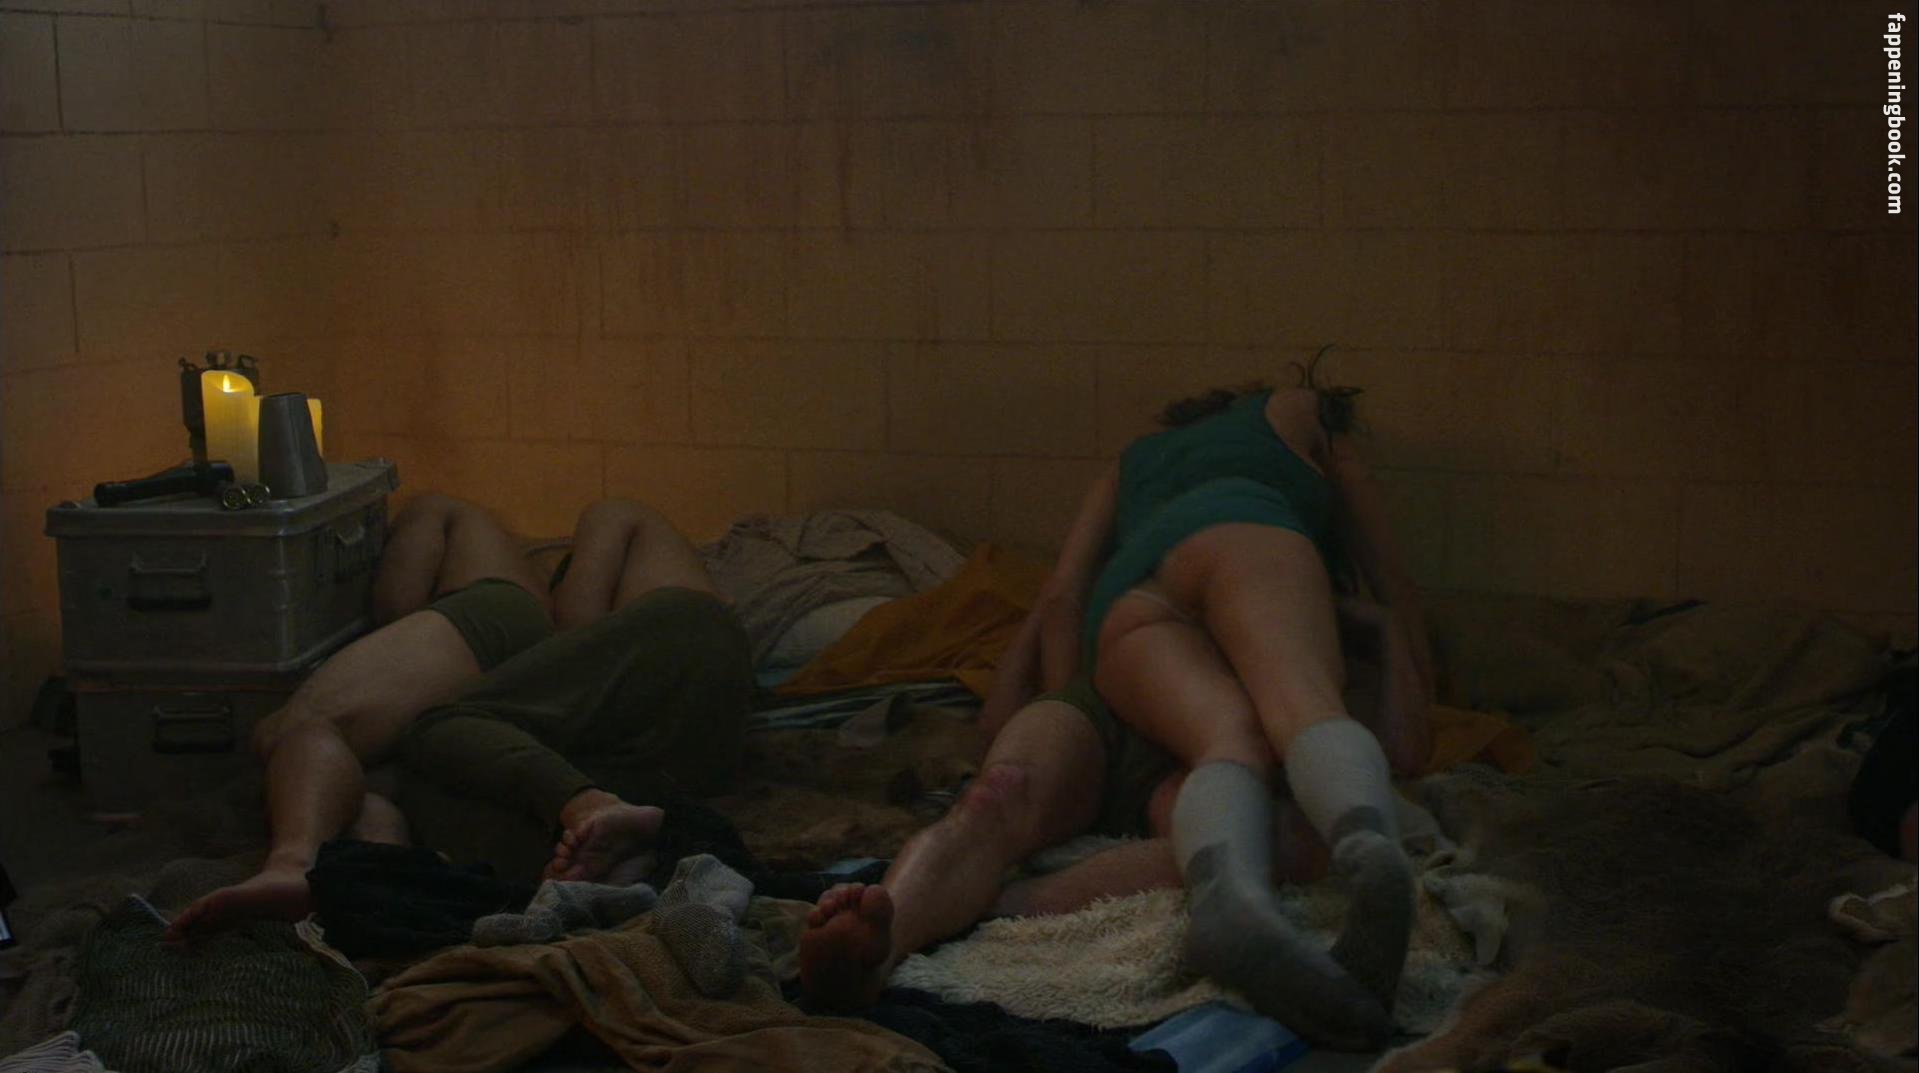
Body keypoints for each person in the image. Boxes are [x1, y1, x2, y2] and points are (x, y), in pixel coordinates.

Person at [803, 364, 1433, 1048]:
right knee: (1279, 799)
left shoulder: (1134, 461)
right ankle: (1314, 861)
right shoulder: (1299, 413)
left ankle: (909, 931)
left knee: (998, 796)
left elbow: (1061, 596)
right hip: (1208, 663)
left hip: (1123, 655)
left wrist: (1066, 710)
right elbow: (1393, 590)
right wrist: (1389, 636)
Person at [164, 494, 752, 941]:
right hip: (626, 712)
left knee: (295, 731)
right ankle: (371, 863)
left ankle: (300, 861)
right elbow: (579, 629)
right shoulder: (666, 594)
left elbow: (395, 607)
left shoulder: (447, 516)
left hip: (500, 619)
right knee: (380, 775)